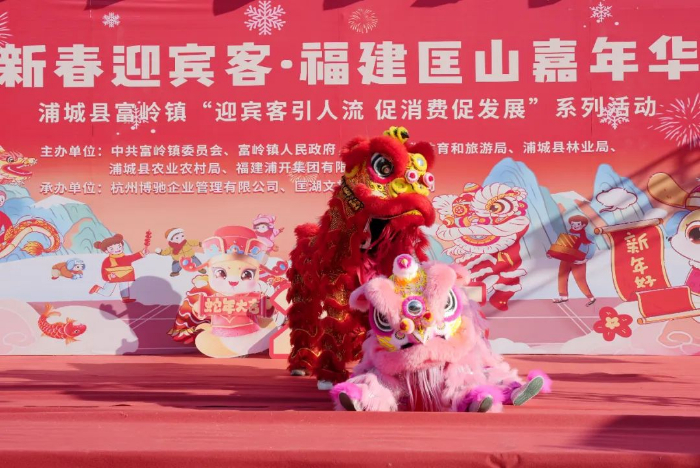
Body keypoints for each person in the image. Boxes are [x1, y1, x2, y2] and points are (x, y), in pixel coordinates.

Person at [89, 234, 148, 304]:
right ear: (106, 251)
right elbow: (104, 272)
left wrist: (142, 253)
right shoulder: (107, 261)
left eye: (119, 246)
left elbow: (133, 257)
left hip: (124, 276)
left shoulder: (125, 258)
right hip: (113, 278)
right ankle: (96, 288)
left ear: (122, 246)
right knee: (107, 293)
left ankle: (125, 299)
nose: (117, 249)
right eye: (112, 248)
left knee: (124, 287)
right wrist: (109, 276)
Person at [552, 215, 596, 306]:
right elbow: (559, 246)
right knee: (562, 277)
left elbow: (592, 249)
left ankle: (591, 297)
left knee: (580, 279)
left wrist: (585, 260)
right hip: (565, 259)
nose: (575, 226)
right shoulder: (567, 234)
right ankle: (563, 296)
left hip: (579, 260)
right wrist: (552, 253)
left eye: (578, 224)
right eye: (573, 224)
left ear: (583, 225)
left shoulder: (588, 236)